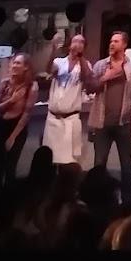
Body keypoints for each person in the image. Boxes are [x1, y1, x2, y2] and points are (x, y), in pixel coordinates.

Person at [87, 31, 131, 204]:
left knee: (126, 165)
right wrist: (106, 77)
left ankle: (128, 202)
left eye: (116, 41)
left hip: (124, 123)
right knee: (99, 164)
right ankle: (98, 201)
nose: (112, 44)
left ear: (124, 45)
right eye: (111, 41)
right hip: (102, 123)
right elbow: (90, 88)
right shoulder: (100, 65)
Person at [0, 53, 38, 189]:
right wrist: (11, 100)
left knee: (10, 167)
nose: (14, 65)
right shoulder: (5, 83)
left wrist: (12, 137)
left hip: (17, 128)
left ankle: (8, 197)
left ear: (26, 67)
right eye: (14, 62)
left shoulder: (31, 87)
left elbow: (26, 114)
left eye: (18, 63)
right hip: (1, 125)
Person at [42, 33, 89, 168]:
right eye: (75, 41)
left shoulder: (84, 64)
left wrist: (80, 57)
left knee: (69, 162)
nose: (78, 44)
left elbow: (86, 77)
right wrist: (53, 49)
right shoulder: (59, 61)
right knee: (50, 159)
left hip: (71, 120)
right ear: (69, 45)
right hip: (53, 119)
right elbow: (49, 70)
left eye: (81, 42)